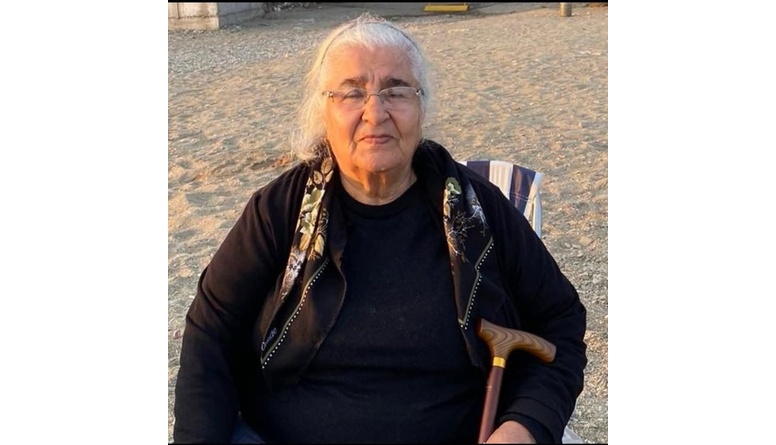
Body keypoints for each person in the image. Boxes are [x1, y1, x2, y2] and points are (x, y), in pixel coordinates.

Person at [173, 13, 587, 444]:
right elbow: (210, 333)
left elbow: (559, 322)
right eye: (352, 92)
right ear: (324, 112)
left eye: (396, 90)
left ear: (422, 106)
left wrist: (524, 426)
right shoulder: (282, 209)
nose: (375, 113)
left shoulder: (477, 209)